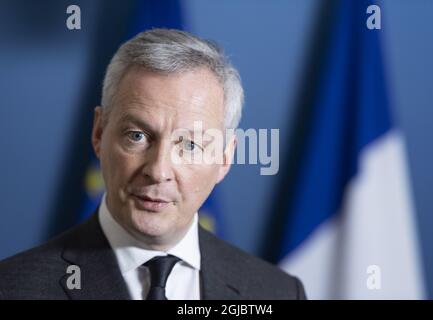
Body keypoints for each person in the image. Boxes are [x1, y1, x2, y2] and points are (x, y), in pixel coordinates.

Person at [0, 29, 306, 300]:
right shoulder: (13, 289)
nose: (158, 171)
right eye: (137, 136)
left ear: (225, 158)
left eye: (189, 145)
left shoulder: (277, 293)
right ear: (99, 133)